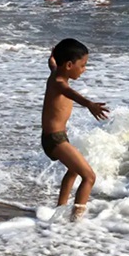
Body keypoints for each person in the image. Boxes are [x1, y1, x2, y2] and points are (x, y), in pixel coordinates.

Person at [42, 38, 109, 220]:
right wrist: (89, 104)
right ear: (70, 65)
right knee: (89, 177)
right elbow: (70, 92)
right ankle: (76, 220)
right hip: (55, 140)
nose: (84, 69)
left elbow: (53, 64)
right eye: (83, 65)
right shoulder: (58, 82)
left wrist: (53, 56)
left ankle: (60, 210)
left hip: (55, 138)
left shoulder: (55, 72)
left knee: (73, 171)